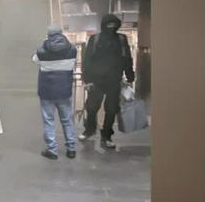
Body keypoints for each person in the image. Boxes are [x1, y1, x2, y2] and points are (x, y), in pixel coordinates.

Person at [80, 14, 135, 149]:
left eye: (114, 25)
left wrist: (130, 75)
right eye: (108, 25)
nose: (111, 28)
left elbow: (127, 58)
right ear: (103, 25)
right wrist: (87, 79)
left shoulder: (121, 39)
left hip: (114, 80)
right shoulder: (94, 39)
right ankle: (89, 129)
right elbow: (87, 60)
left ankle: (107, 136)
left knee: (111, 110)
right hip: (96, 81)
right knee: (91, 108)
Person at [33, 26, 78, 160]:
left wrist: (44, 43)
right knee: (67, 120)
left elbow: (34, 59)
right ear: (61, 34)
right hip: (64, 91)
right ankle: (71, 149)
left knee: (49, 120)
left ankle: (52, 150)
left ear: (48, 35)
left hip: (47, 92)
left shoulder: (41, 51)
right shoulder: (72, 50)